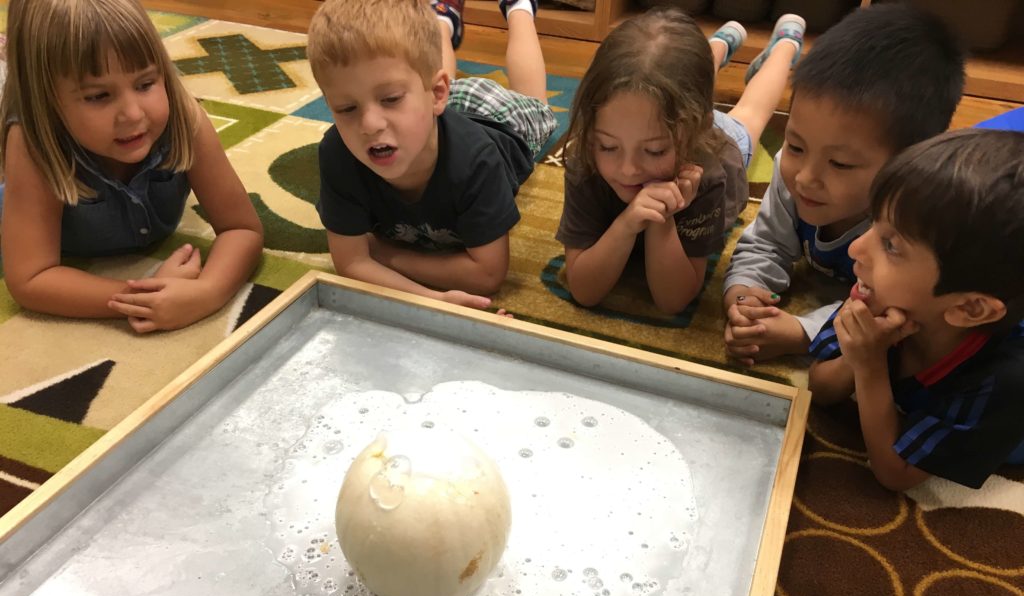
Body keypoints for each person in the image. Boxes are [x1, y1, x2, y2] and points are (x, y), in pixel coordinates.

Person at [722, 3, 964, 366]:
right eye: (796, 145)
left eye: (840, 163)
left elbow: (898, 315)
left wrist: (804, 332)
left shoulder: (918, 224)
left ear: (908, 162)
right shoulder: (791, 172)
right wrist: (746, 297)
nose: (805, 176)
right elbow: (767, 244)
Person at [0, 0, 263, 333]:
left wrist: (206, 292)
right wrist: (141, 296)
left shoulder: (184, 116)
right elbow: (31, 279)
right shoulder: (31, 141)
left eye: (145, 84)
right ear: (46, 102)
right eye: (98, 96)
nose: (134, 115)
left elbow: (242, 229)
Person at [808, 129, 1024, 491]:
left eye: (890, 245)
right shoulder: (880, 296)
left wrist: (871, 366)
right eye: (872, 223)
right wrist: (858, 356)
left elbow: (897, 473)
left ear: (969, 308)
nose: (856, 249)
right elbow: (820, 386)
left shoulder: (1005, 379)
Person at [308, 0, 556, 310]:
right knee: (418, 71)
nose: (369, 125)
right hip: (432, 117)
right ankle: (441, 17)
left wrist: (384, 254)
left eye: (390, 99)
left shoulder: (477, 160)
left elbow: (487, 274)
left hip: (499, 118)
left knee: (538, 106)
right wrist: (433, 297)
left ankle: (518, 8)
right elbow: (351, 263)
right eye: (346, 108)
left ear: (439, 95)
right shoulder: (337, 152)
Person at [556, 9, 804, 315]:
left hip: (707, 139)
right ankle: (719, 46)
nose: (628, 169)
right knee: (679, 81)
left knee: (751, 113)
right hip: (670, 119)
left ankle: (785, 45)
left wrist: (663, 219)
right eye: (608, 146)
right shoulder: (586, 157)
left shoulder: (712, 170)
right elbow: (584, 290)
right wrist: (627, 223)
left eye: (655, 152)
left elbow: (673, 301)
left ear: (696, 128)